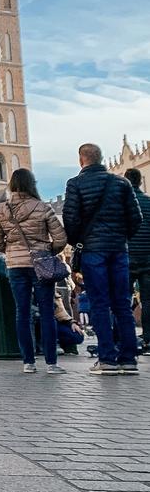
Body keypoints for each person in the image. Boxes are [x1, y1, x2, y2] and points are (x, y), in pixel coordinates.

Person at [63, 143, 143, 375]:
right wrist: (121, 237)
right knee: (122, 304)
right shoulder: (121, 183)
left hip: (93, 251)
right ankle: (129, 359)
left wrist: (81, 240)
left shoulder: (75, 184)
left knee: (99, 304)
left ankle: (107, 358)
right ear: (100, 159)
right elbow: (135, 218)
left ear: (81, 160)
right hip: (119, 250)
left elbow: (70, 219)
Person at [0, 168, 68, 374]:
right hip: (40, 264)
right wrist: (47, 250)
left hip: (15, 266)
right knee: (47, 312)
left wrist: (12, 251)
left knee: (22, 313)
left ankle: (28, 362)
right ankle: (51, 363)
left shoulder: (2, 209)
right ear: (32, 184)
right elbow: (60, 238)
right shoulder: (42, 207)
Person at [124, 169, 150, 352]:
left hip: (126, 257)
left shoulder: (122, 204)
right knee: (148, 301)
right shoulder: (148, 203)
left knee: (122, 300)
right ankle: (148, 339)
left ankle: (126, 340)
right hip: (148, 258)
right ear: (140, 182)